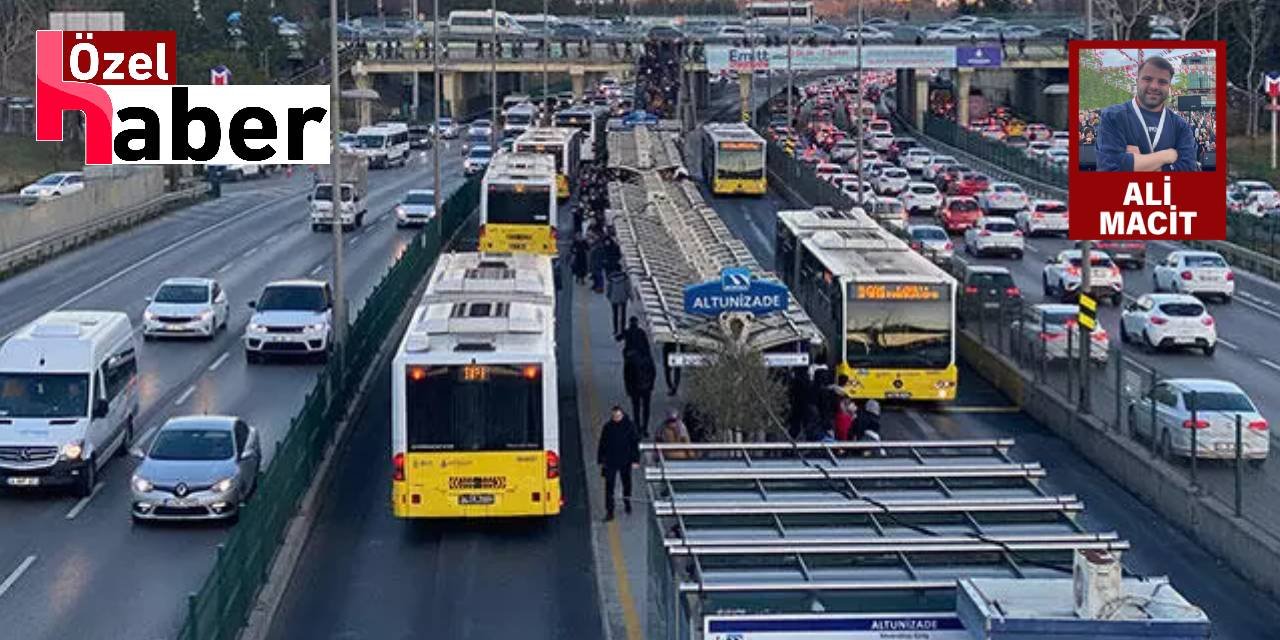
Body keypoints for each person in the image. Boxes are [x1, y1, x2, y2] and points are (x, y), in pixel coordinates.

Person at [1094, 56, 1199, 172]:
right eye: (1147, 79)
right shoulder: (1113, 117)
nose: (1154, 86)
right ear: (1137, 81)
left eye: (1162, 82)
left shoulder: (1181, 126)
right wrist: (1166, 156)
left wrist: (1135, 163)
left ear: (1169, 86)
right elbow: (1109, 169)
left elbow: (1188, 169)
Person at [597, 406, 641, 521]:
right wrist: (601, 459)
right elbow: (602, 443)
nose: (616, 418)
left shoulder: (629, 426)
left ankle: (627, 503)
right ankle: (610, 511)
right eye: (614, 416)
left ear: (622, 415)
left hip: (625, 461)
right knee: (609, 486)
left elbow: (634, 444)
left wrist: (635, 460)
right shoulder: (608, 427)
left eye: (618, 416)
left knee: (627, 483)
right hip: (610, 461)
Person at [623, 347, 657, 436]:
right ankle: (645, 428)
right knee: (646, 408)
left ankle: (637, 427)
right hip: (646, 387)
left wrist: (628, 389)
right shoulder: (647, 359)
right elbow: (653, 372)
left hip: (635, 388)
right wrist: (651, 384)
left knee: (636, 408)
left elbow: (627, 377)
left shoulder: (630, 360)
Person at [606, 269, 631, 338]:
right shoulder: (625, 278)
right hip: (623, 298)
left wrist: (608, 296)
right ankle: (622, 329)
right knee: (623, 315)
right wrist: (629, 295)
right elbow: (627, 288)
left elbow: (608, 288)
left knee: (615, 314)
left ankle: (616, 330)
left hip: (614, 298)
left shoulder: (611, 278)